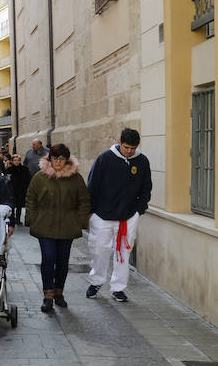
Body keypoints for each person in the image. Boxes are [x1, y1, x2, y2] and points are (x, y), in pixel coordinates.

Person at [85, 128, 152, 303]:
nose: (129, 151)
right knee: (100, 250)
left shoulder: (142, 161)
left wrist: (139, 211)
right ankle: (96, 282)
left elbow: (146, 188)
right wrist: (91, 212)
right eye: (127, 147)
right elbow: (92, 186)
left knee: (123, 253)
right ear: (120, 142)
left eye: (133, 148)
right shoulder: (105, 158)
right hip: (102, 215)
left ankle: (118, 288)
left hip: (128, 216)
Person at [24, 144, 90, 312]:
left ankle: (59, 292)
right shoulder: (40, 177)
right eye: (55, 158)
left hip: (67, 226)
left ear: (67, 159)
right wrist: (31, 218)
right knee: (48, 258)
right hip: (45, 225)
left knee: (62, 261)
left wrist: (80, 222)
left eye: (62, 158)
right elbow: (31, 198)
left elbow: (84, 201)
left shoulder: (76, 179)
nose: (58, 162)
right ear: (49, 158)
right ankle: (48, 295)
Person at [6, 154, 30, 225]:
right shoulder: (9, 170)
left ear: (20, 161)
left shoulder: (24, 169)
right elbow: (7, 180)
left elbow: (28, 179)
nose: (16, 162)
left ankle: (18, 219)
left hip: (21, 190)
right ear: (12, 161)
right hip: (12, 190)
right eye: (15, 160)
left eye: (18, 160)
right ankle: (12, 219)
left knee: (19, 206)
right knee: (12, 206)